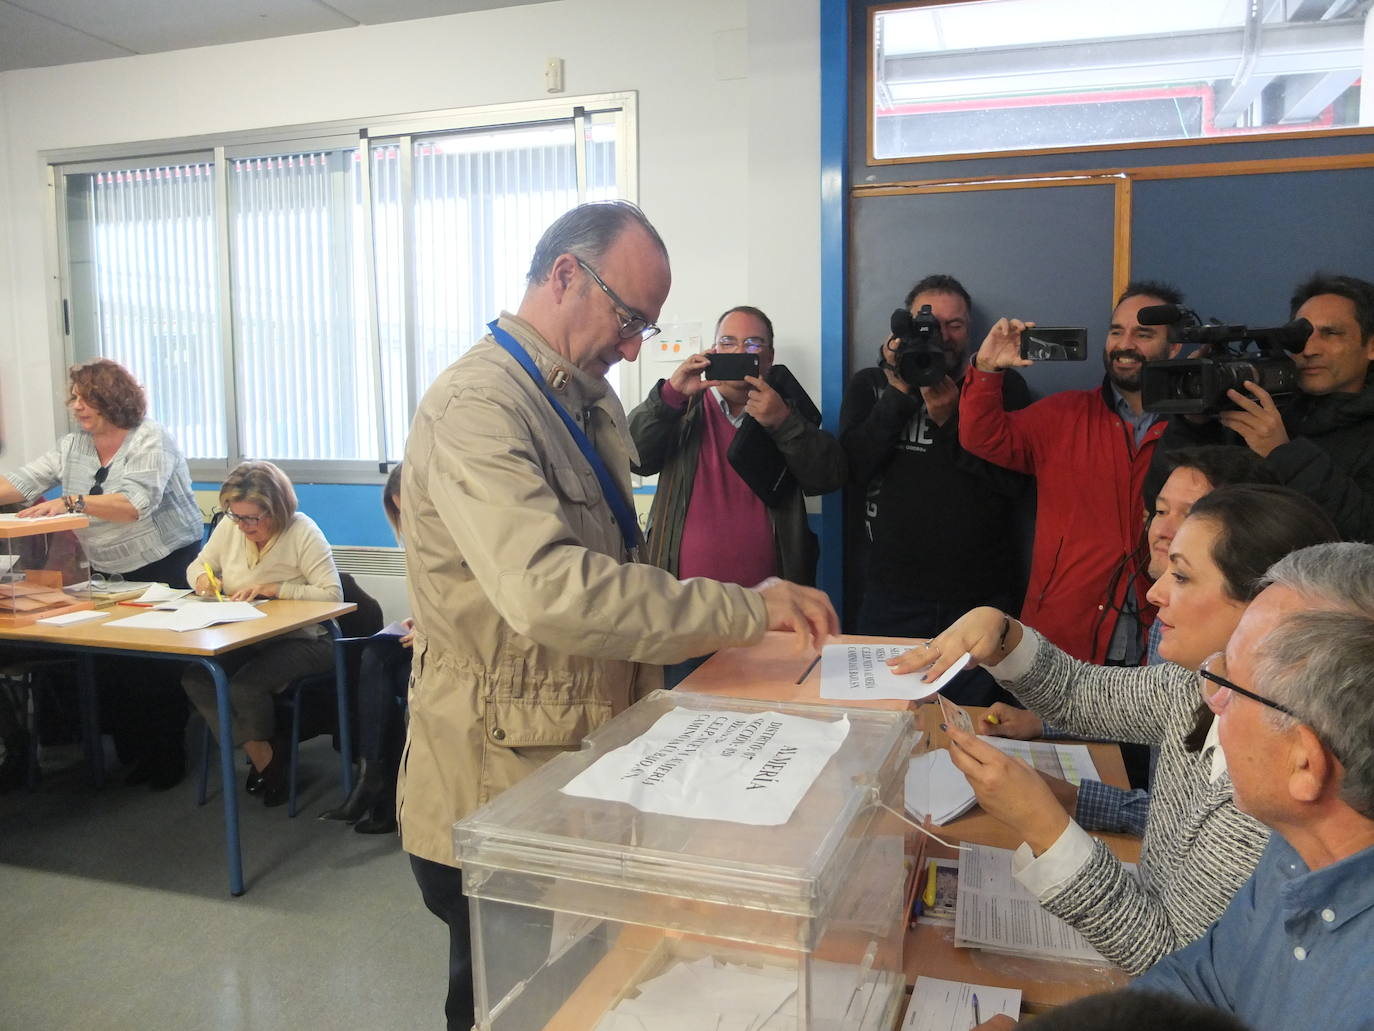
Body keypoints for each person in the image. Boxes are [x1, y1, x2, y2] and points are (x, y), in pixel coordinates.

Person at [398, 200, 838, 1031]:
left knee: (587, 992)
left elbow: (620, 564)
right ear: (567, 275)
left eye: (648, 324)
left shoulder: (581, 397)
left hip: (579, 758)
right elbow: (554, 592)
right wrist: (745, 608)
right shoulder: (478, 406)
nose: (637, 345)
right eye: (629, 316)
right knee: (510, 1007)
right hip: (496, 780)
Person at [890, 485, 1340, 974]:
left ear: (1263, 609)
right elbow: (1078, 693)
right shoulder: (1200, 684)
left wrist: (1046, 828)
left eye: (1183, 577)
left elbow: (1169, 962)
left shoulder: (1271, 787)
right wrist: (999, 633)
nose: (1154, 592)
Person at [1132, 542, 1374, 1029]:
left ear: (1306, 765)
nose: (1215, 701)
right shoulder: (1295, 847)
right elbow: (1204, 983)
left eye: (1234, 688)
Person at [982, 446, 1276, 837]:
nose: (1162, 529)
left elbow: (1182, 836)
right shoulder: (1176, 636)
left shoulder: (1260, 729)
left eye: (1190, 514)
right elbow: (1095, 698)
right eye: (1160, 510)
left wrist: (1059, 809)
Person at [0, 358, 203, 788]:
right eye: (73, 397)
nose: (75, 406)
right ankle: (134, 756)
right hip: (108, 569)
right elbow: (22, 482)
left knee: (156, 668)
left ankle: (167, 759)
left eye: (83, 397)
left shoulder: (152, 439)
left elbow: (133, 504)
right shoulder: (73, 445)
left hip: (165, 563)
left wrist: (72, 502)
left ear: (111, 397)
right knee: (115, 665)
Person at [959, 282, 1184, 663]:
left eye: (1143, 334)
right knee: (1040, 725)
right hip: (1064, 639)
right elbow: (982, 437)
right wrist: (986, 370)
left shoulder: (1195, 430)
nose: (1125, 343)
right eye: (1116, 331)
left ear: (1174, 348)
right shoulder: (1063, 414)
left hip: (1162, 637)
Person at [839, 274, 1030, 704]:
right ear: (901, 328)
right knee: (885, 719)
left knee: (977, 730)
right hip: (891, 595)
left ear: (970, 332)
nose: (939, 334)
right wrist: (902, 389)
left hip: (977, 600)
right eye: (925, 323)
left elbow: (1012, 485)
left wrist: (950, 423)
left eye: (954, 324)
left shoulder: (1001, 387)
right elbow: (852, 468)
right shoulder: (871, 385)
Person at [629, 304, 845, 588]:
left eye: (753, 343)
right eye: (728, 342)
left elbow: (827, 477)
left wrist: (783, 422)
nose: (739, 351)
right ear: (713, 351)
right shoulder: (680, 407)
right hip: (681, 605)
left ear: (769, 357)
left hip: (773, 603)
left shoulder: (788, 412)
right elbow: (635, 457)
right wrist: (670, 395)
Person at [182, 461, 342, 808]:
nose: (243, 526)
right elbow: (199, 564)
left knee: (245, 687)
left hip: (306, 639)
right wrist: (202, 580)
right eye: (236, 517)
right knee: (198, 678)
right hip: (245, 634)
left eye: (253, 518)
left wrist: (276, 588)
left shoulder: (303, 532)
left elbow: (332, 595)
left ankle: (267, 766)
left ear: (277, 509)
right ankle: (267, 758)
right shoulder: (230, 528)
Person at [1214, 273, 1374, 543]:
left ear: (1370, 346)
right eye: (1299, 336)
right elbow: (1166, 502)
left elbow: (1364, 534)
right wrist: (1192, 424)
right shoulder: (1263, 409)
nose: (1309, 349)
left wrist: (1282, 454)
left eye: (1331, 333)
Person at [318, 463, 410, 833]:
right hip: (437, 637)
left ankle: (375, 784)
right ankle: (377, 783)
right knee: (376, 657)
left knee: (384, 675)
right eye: (400, 512)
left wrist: (437, 628)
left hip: (466, 647)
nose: (408, 520)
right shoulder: (421, 543)